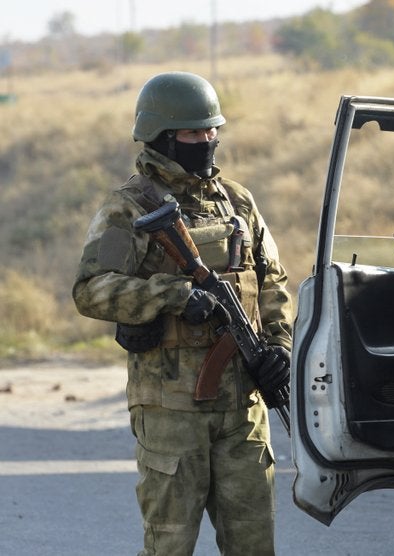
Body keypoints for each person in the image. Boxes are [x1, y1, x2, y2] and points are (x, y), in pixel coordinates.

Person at [73, 71, 293, 555]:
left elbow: (272, 278)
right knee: (169, 546)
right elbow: (91, 289)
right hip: (171, 409)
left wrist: (279, 345)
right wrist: (171, 295)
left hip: (243, 407)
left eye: (212, 130)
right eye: (195, 132)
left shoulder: (237, 201)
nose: (208, 140)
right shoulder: (128, 208)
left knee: (255, 544)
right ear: (163, 137)